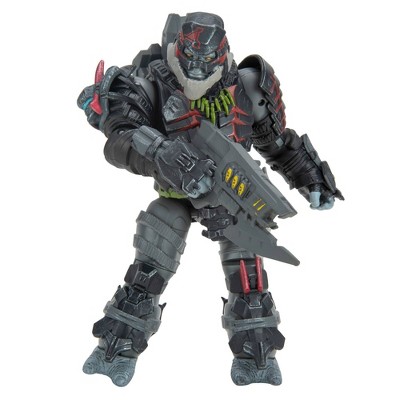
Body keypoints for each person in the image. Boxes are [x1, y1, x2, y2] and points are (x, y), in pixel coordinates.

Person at [77, 11, 343, 387]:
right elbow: (120, 136)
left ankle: (257, 354)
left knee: (248, 273)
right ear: (178, 50)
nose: (198, 69)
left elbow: (276, 143)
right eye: (191, 58)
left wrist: (309, 177)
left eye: (208, 60)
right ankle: (116, 347)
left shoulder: (246, 87)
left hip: (230, 195)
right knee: (152, 257)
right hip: (174, 188)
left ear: (223, 54)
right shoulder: (151, 79)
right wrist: (160, 151)